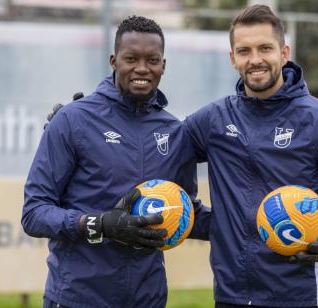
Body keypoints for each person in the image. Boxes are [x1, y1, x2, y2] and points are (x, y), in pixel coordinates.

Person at [183, 5, 318, 307]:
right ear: (232, 59)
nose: (255, 60)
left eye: (265, 48)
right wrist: (210, 222)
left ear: (283, 53)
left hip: (304, 296)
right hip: (233, 296)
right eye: (244, 51)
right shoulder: (212, 120)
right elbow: (161, 148)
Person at [22, 16, 210, 308]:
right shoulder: (73, 120)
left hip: (148, 298)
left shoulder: (174, 132)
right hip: (78, 298)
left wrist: (260, 226)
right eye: (131, 58)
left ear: (164, 65)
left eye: (152, 60)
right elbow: (34, 213)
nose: (142, 69)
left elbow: (188, 213)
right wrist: (100, 223)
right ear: (114, 60)